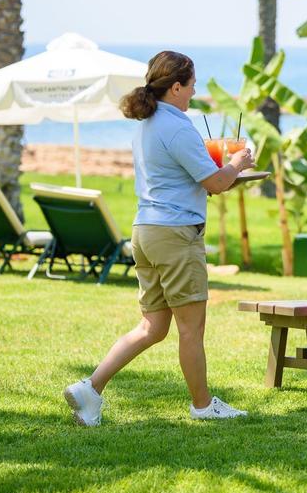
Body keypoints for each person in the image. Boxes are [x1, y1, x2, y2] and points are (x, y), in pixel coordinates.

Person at [63, 50, 255, 426]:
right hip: (175, 235)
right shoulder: (178, 127)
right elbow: (216, 182)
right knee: (191, 328)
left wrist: (222, 174)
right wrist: (238, 163)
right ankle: (203, 406)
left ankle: (90, 388)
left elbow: (190, 180)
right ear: (176, 87)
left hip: (147, 232)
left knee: (152, 326)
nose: (195, 92)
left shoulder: (148, 125)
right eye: (192, 85)